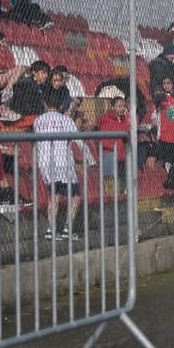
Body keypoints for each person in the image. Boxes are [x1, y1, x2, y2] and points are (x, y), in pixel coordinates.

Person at [34, 92, 89, 241]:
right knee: (75, 195)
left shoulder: (38, 121)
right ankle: (67, 229)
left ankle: (51, 229)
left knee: (54, 195)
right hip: (63, 162)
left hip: (45, 163)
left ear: (44, 104)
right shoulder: (65, 120)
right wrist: (90, 159)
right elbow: (78, 140)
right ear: (60, 106)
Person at [96, 94, 132, 195]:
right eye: (119, 106)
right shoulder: (106, 119)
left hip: (121, 155)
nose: (122, 109)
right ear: (113, 107)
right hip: (110, 155)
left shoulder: (124, 120)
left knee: (123, 181)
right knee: (111, 182)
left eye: (123, 106)